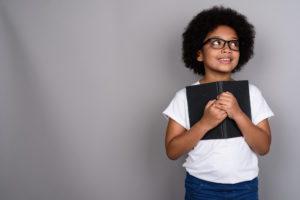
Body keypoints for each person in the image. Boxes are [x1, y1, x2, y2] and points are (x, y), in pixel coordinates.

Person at [162, 6, 274, 200]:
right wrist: (205, 123)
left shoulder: (251, 93)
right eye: (216, 42)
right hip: (201, 187)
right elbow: (172, 151)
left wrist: (238, 114)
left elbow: (263, 147)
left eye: (233, 44)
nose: (226, 49)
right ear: (199, 54)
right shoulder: (184, 97)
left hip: (245, 187)